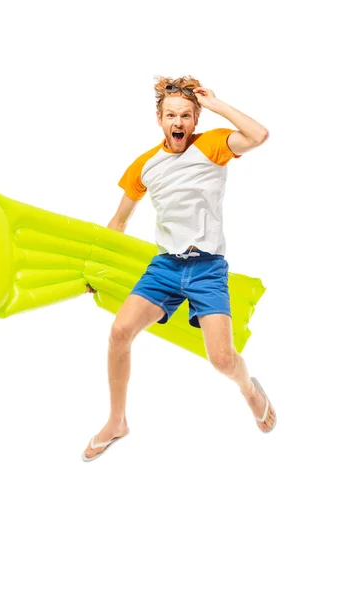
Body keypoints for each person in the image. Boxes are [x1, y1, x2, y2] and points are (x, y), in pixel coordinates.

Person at [82, 75, 277, 462]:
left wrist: (217, 103)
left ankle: (250, 391)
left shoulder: (213, 145)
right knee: (119, 332)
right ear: (159, 118)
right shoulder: (145, 165)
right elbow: (118, 221)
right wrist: (97, 268)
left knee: (222, 359)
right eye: (171, 115)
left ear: (196, 118)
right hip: (165, 267)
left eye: (186, 115)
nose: (179, 122)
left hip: (206, 269)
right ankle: (117, 420)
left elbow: (258, 135)